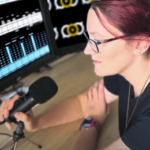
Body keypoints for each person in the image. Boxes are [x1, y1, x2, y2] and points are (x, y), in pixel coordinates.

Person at [1, 0, 150, 149]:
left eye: (97, 41)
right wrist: (37, 123)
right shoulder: (126, 71)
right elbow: (84, 103)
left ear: (140, 44)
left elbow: (90, 109)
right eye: (89, 37)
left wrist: (91, 123)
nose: (87, 50)